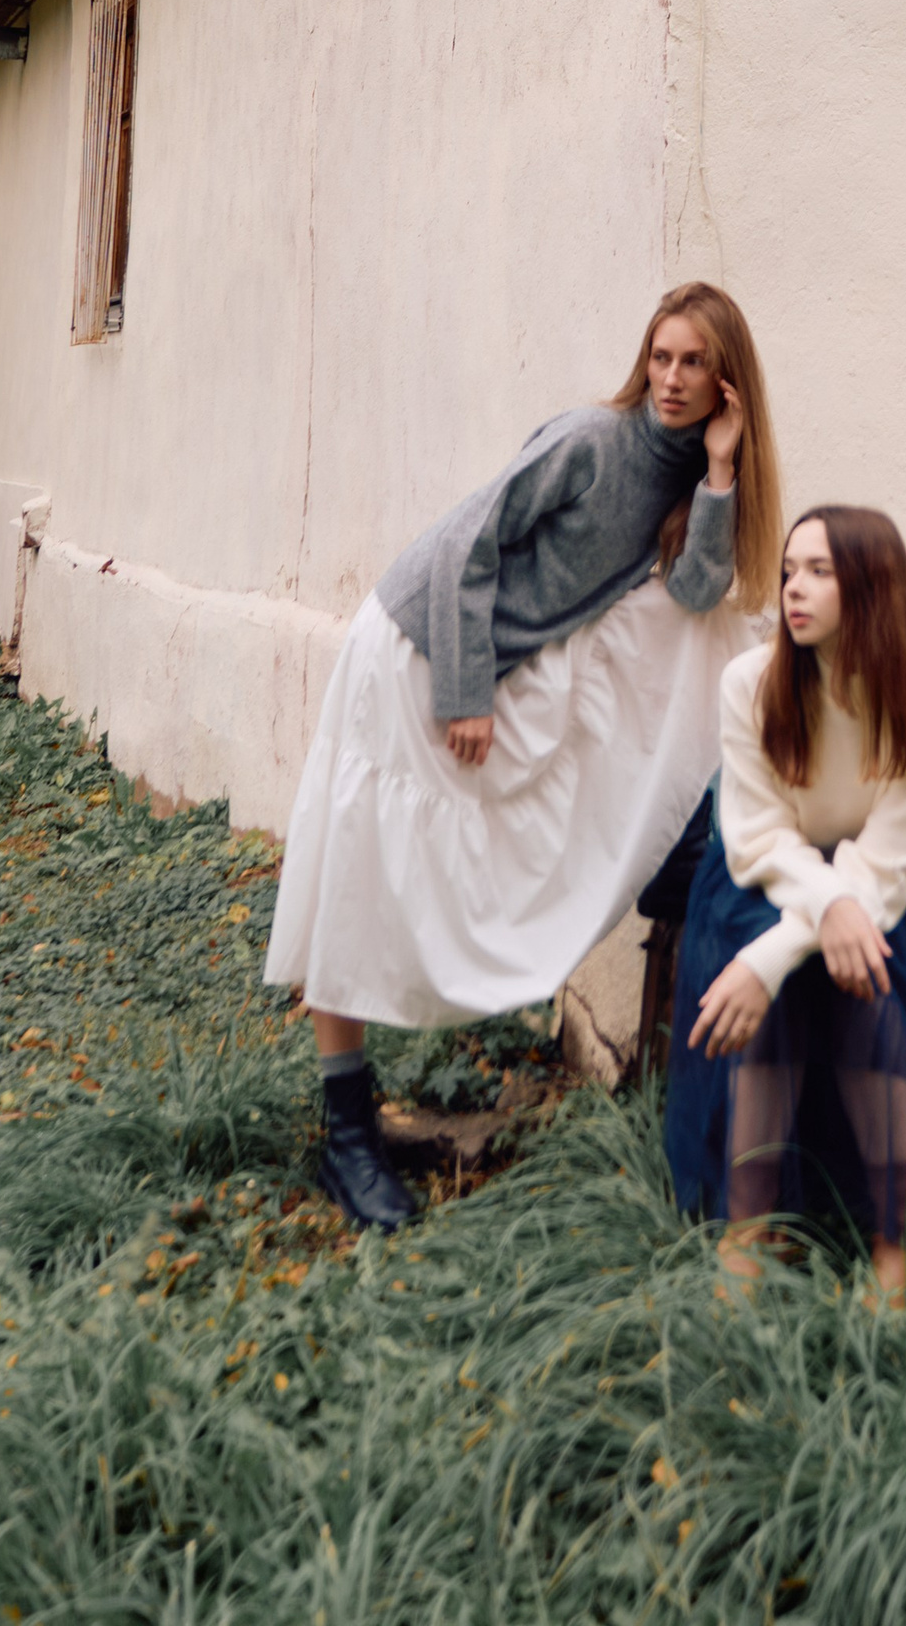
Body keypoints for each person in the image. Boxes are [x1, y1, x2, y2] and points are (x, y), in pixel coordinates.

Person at [265, 284, 780, 1227]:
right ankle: (345, 1134)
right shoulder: (593, 440)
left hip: (486, 657)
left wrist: (719, 470)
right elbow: (468, 544)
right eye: (660, 356)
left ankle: (359, 1121)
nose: (671, 379)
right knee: (363, 868)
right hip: (417, 646)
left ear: (727, 383)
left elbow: (700, 594)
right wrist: (465, 691)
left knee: (402, 864)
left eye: (694, 362)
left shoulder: (689, 475)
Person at [663, 504, 906, 1308]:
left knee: (866, 970)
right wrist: (820, 910)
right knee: (791, 962)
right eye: (788, 571)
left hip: (890, 883)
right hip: (762, 876)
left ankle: (899, 1242)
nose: (792, 589)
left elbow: (892, 859)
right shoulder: (753, 682)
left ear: (871, 586)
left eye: (818, 571)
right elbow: (757, 836)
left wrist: (776, 956)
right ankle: (751, 1224)